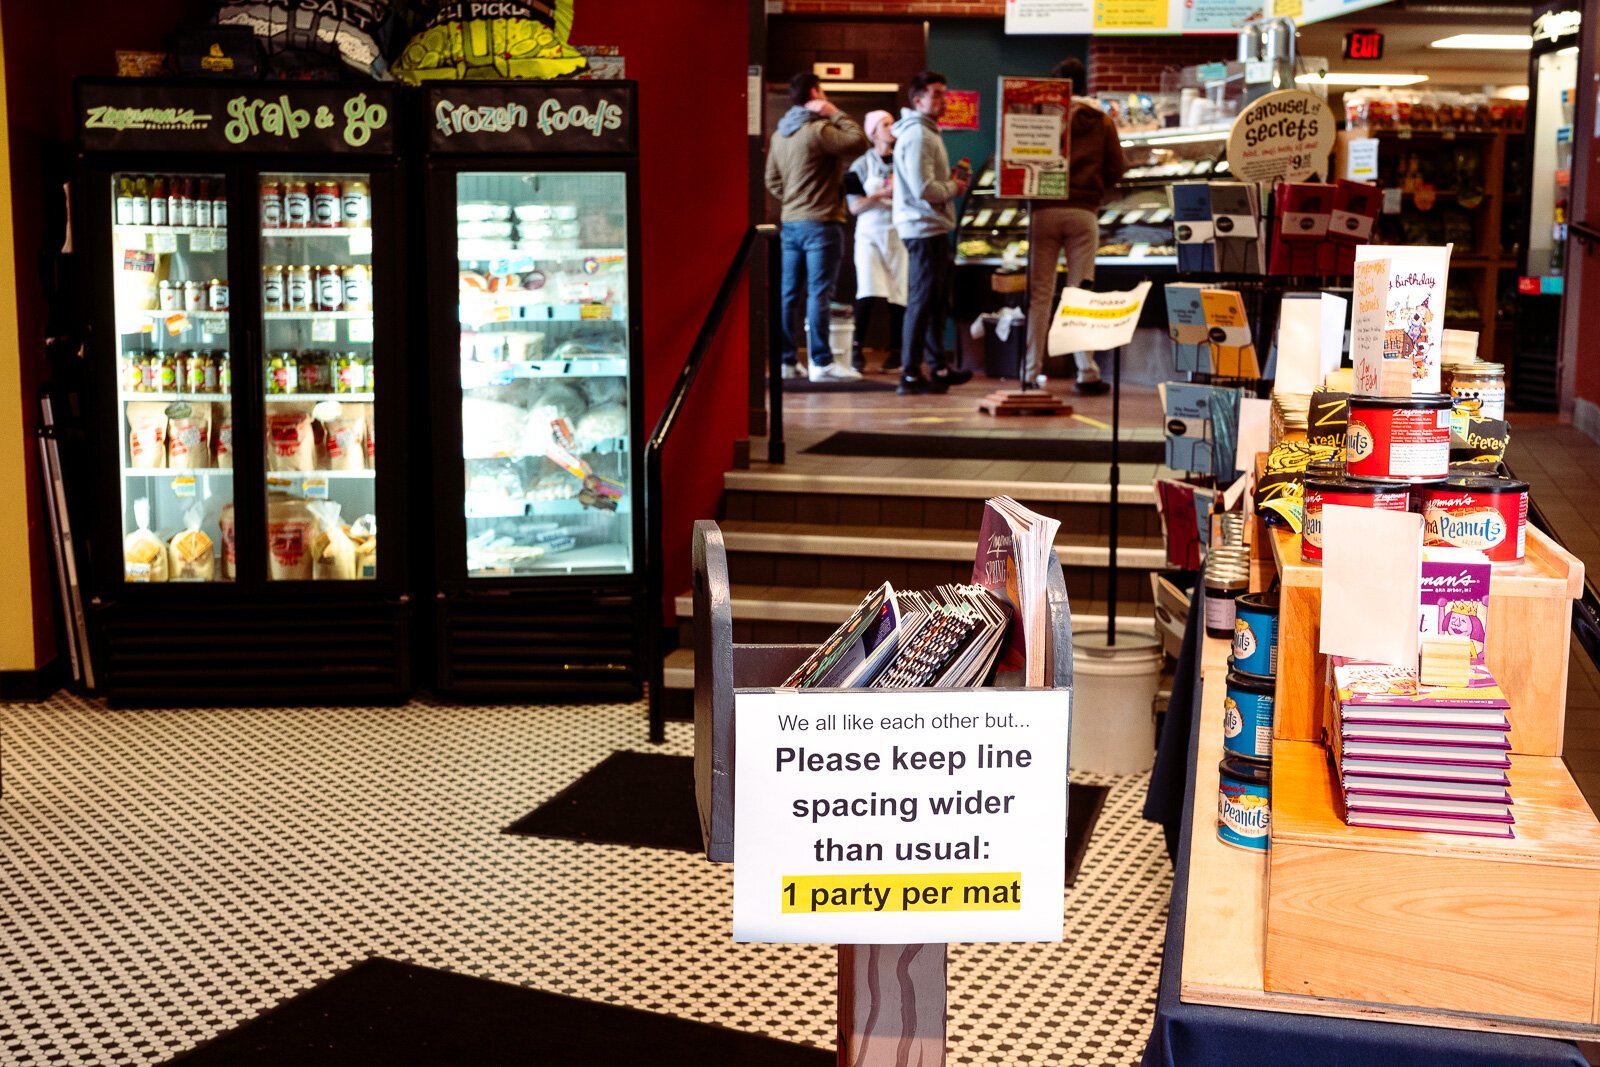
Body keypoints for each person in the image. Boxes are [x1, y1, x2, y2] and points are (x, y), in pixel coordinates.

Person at [1024, 56, 1128, 396]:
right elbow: (1118, 166)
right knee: (1080, 294)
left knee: (1039, 295)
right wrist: (1096, 185)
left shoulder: (1040, 118)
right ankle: (1086, 372)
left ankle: (1030, 373)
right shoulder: (1101, 120)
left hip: (1043, 210)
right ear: (1086, 85)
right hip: (1083, 211)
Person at [764, 72, 869, 382]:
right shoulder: (819, 130)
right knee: (819, 293)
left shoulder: (779, 135)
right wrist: (833, 111)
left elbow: (771, 180)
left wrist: (795, 199)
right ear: (814, 92)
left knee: (788, 293)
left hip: (791, 223)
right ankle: (822, 363)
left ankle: (786, 361)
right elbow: (859, 141)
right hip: (821, 223)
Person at [891, 71, 974, 396]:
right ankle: (910, 374)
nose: (944, 100)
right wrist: (953, 186)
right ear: (917, 100)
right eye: (937, 94)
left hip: (931, 226)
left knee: (937, 301)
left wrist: (949, 181)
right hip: (922, 227)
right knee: (923, 300)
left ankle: (938, 366)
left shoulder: (927, 133)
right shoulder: (919, 136)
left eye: (945, 93)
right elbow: (922, 187)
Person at [845, 110, 906, 373]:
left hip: (898, 233)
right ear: (872, 132)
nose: (892, 128)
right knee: (868, 291)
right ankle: (856, 349)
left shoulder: (904, 162)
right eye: (886, 124)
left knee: (898, 294)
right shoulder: (858, 167)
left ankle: (897, 352)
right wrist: (880, 194)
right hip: (869, 234)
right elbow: (854, 207)